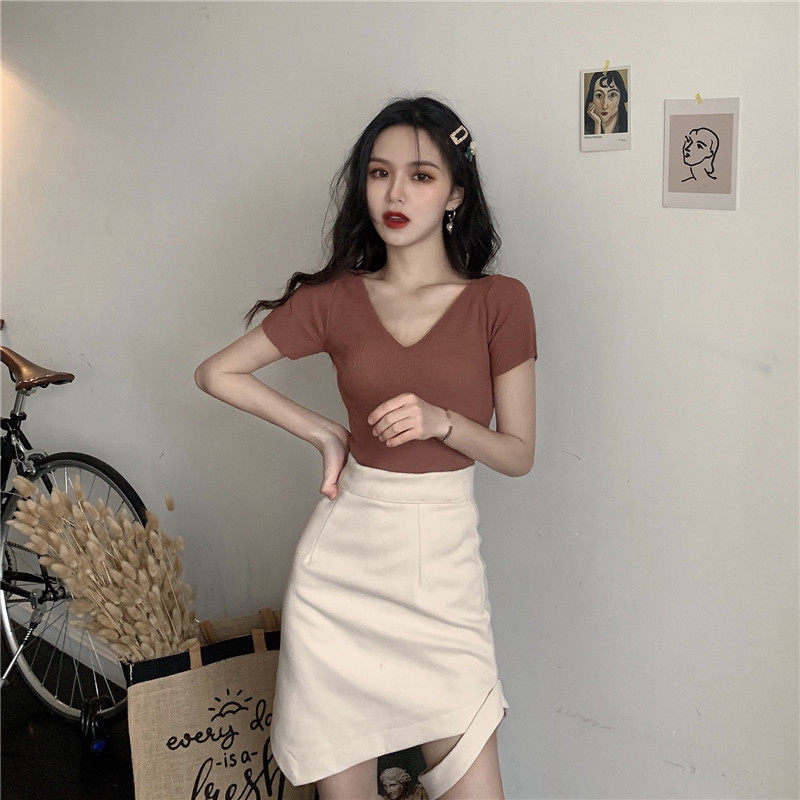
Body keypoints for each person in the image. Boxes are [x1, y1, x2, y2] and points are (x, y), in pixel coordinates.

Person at [194, 95, 538, 800]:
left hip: (443, 573)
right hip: (340, 575)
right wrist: (323, 432)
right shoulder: (335, 300)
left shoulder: (500, 302)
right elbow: (216, 373)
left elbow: (518, 453)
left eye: (420, 175)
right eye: (380, 173)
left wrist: (444, 422)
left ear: (456, 194)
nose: (395, 193)